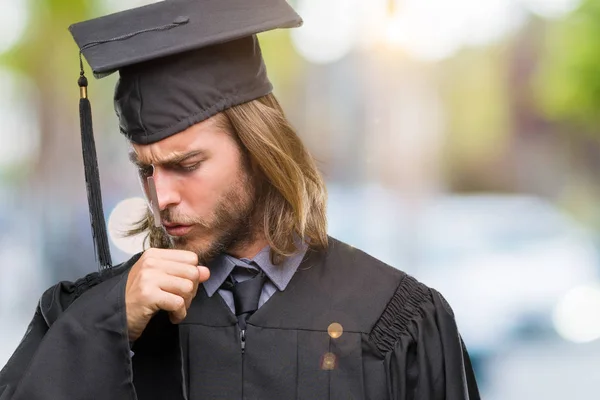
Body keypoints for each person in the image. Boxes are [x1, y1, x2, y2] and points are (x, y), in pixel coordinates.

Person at [0, 0, 480, 399]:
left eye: (186, 165)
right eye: (145, 169)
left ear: (258, 149)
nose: (160, 196)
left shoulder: (397, 319)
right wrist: (101, 329)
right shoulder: (93, 317)